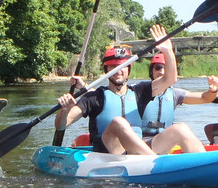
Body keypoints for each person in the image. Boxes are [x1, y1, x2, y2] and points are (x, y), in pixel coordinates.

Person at [54, 26, 206, 156]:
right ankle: (153, 162)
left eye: (122, 67)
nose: (118, 71)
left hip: (138, 152)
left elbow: (170, 79)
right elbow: (61, 125)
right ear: (106, 70)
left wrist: (168, 51)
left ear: (128, 70)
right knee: (118, 122)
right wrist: (65, 111)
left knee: (181, 129)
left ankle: (205, 165)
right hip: (109, 153)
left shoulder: (140, 91)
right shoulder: (94, 97)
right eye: (113, 68)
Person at [140, 52, 218, 139]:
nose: (162, 72)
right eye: (158, 67)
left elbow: (204, 98)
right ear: (151, 71)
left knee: (183, 129)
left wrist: (213, 91)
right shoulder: (139, 91)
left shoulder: (175, 94)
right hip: (142, 139)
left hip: (165, 140)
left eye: (166, 68)